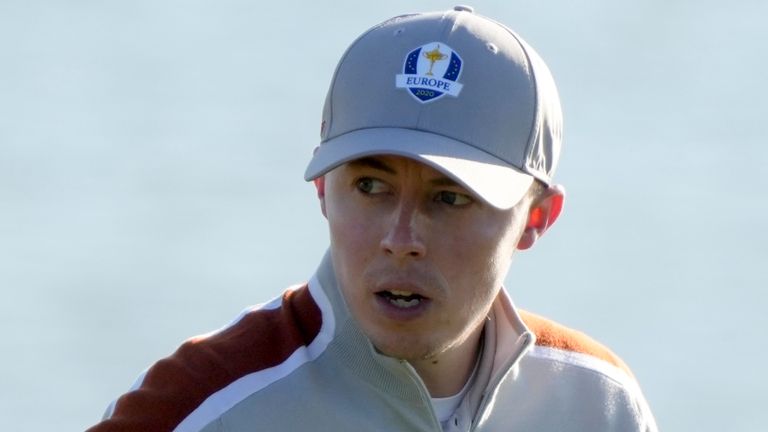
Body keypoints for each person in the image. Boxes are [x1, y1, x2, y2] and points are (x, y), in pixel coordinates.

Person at [88, 5, 657, 432]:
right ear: (321, 190)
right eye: (370, 186)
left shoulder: (599, 404)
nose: (400, 239)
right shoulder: (198, 406)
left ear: (538, 216)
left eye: (449, 198)